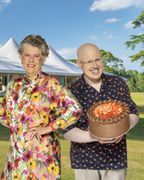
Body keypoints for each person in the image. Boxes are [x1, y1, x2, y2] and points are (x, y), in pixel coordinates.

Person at [0, 35, 82, 179]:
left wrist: (49, 128)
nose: (31, 60)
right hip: (17, 158)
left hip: (42, 158)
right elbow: (9, 122)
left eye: (36, 56)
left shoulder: (52, 84)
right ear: (21, 57)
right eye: (27, 55)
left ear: (43, 58)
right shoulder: (13, 85)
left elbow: (75, 109)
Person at [63, 43, 139, 180]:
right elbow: (66, 130)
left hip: (115, 159)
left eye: (97, 59)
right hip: (84, 161)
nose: (95, 65)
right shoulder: (71, 91)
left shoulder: (118, 83)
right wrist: (95, 136)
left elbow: (133, 112)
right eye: (89, 61)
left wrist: (123, 129)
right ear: (79, 63)